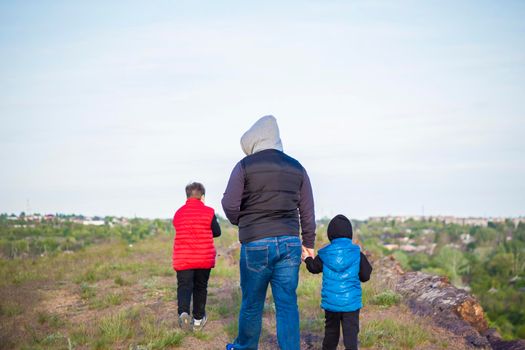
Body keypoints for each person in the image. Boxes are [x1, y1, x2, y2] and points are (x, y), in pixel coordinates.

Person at [222, 115, 316, 350]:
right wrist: (309, 243)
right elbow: (307, 209)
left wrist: (243, 222)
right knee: (287, 304)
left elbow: (230, 205)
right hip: (290, 244)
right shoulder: (297, 167)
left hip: (255, 242)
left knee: (252, 303)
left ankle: (245, 347)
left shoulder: (244, 166)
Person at [304, 214, 372, 350]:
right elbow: (365, 276)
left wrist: (307, 259)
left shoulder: (325, 254)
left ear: (330, 234)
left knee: (331, 334)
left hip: (332, 303)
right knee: (351, 337)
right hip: (351, 304)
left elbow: (313, 268)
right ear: (349, 234)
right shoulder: (357, 253)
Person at [172, 182, 221, 331]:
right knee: (200, 288)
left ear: (187, 196)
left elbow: (179, 227)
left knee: (184, 287)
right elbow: (217, 232)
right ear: (203, 196)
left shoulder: (178, 213)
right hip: (203, 258)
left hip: (183, 258)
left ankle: (184, 313)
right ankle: (198, 320)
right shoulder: (209, 212)